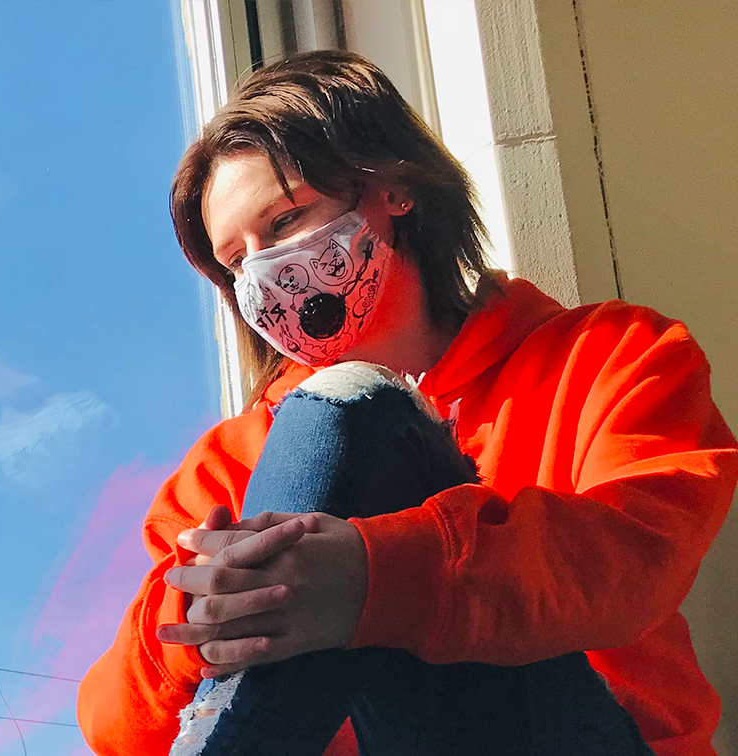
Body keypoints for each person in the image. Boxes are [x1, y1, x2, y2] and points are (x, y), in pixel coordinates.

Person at [76, 50, 737, 756]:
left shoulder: (612, 353)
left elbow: (634, 557)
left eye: (284, 221)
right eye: (235, 261)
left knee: (352, 400)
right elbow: (112, 725)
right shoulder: (222, 466)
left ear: (392, 187)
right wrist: (197, 615)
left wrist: (372, 580)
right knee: (331, 414)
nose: (262, 273)